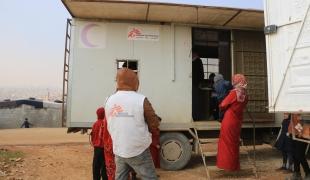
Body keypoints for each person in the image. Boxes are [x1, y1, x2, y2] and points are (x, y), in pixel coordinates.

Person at [105, 68, 160, 180]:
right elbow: (154, 124)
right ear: (134, 82)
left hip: (119, 148)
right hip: (138, 149)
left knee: (120, 177)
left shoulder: (109, 100)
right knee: (150, 177)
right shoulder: (141, 100)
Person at [216, 74, 248, 171]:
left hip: (229, 119)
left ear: (236, 82)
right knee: (234, 143)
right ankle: (234, 166)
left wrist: (222, 106)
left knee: (226, 143)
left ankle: (226, 166)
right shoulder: (245, 94)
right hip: (238, 120)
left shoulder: (234, 93)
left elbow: (223, 104)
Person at [287, 114, 310, 180]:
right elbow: (294, 121)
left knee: (300, 155)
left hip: (303, 135)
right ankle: (297, 173)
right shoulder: (293, 111)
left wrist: (300, 131)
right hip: (295, 134)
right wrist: (290, 131)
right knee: (294, 155)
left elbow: (302, 121)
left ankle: (308, 173)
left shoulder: (301, 109)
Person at [91, 107, 108, 180]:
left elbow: (93, 136)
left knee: (96, 167)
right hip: (105, 149)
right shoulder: (106, 124)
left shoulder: (95, 124)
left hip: (97, 149)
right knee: (104, 167)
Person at [192, 47, 204, 120]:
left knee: (195, 101)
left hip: (196, 84)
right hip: (192, 84)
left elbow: (201, 74)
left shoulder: (198, 61)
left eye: (193, 53)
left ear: (195, 53)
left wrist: (200, 83)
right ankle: (194, 116)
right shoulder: (192, 61)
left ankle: (196, 117)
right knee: (193, 101)